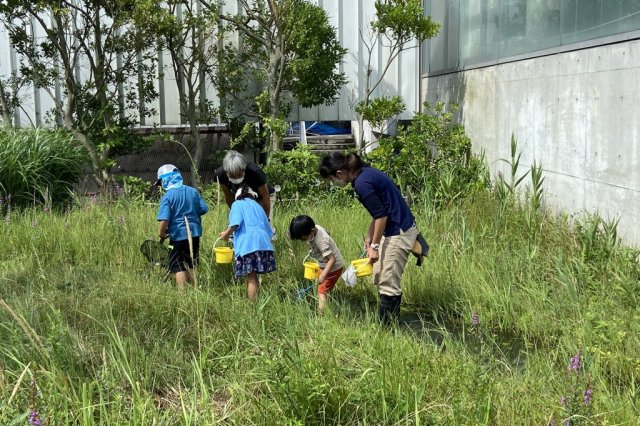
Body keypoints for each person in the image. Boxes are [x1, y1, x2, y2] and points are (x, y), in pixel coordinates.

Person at [319, 152, 429, 325]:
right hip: (391, 229)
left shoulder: (362, 183)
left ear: (339, 173)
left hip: (398, 232)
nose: (335, 183)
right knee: (379, 274)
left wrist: (375, 246)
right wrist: (370, 237)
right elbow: (379, 211)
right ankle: (388, 323)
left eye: (332, 179)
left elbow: (381, 216)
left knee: (388, 281)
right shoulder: (365, 174)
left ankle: (388, 329)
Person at [219, 185, 276, 301]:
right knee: (255, 276)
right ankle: (257, 299)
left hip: (248, 246)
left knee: (251, 277)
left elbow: (235, 223)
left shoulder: (237, 204)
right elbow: (268, 228)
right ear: (252, 196)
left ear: (237, 196)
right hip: (264, 245)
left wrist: (225, 234)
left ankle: (252, 306)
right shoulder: (258, 206)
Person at [156, 164, 209, 289]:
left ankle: (183, 294)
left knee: (177, 265)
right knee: (192, 262)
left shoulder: (168, 197)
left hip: (177, 235)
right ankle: (195, 288)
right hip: (194, 234)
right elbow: (204, 208)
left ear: (165, 180)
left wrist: (161, 234)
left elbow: (164, 219)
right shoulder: (192, 191)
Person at [289, 215, 344, 313]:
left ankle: (320, 314)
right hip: (327, 265)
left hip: (333, 268)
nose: (303, 241)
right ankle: (325, 303)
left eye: (303, 238)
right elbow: (328, 232)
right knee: (322, 288)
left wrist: (323, 275)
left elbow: (332, 259)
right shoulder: (316, 228)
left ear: (311, 230)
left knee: (321, 291)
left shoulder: (321, 241)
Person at [215, 150, 274, 220]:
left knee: (259, 222)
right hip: (240, 198)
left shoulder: (255, 172)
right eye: (232, 176)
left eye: (239, 175)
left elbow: (265, 196)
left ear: (244, 169)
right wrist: (235, 213)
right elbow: (228, 196)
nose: (236, 178)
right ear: (226, 172)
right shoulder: (220, 175)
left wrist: (265, 219)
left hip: (261, 198)